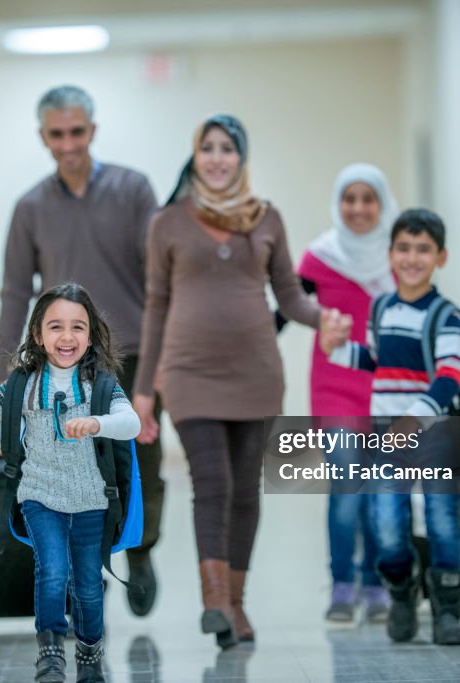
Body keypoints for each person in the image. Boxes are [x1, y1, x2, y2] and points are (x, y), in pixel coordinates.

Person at [132, 114, 333, 648]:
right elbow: (155, 306)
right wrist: (145, 390)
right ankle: (214, 599)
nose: (218, 157)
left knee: (246, 491)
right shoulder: (167, 223)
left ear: (241, 158)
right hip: (188, 372)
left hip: (256, 372)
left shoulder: (266, 219)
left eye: (228, 148)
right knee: (212, 482)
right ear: (195, 156)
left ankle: (235, 607)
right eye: (208, 148)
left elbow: (289, 295)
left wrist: (324, 319)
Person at [0, 85, 165, 616]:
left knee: (139, 466)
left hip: (130, 353)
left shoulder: (134, 191)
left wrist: (152, 380)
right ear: (44, 137)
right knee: (69, 470)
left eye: (76, 132)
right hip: (63, 360)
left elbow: (161, 286)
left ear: (92, 130)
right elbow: (15, 292)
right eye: (56, 134)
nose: (68, 144)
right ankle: (89, 576)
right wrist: (4, 375)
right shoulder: (30, 208)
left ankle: (139, 550)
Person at [0, 283, 140, 682]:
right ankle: (50, 654)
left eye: (78, 327)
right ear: (37, 334)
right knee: (51, 571)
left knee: (87, 583)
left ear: (92, 334)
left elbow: (129, 422)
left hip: (91, 498)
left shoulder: (101, 384)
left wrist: (98, 422)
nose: (67, 337)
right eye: (56, 327)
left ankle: (89, 652)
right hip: (40, 495)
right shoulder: (22, 385)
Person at [319, 208, 460, 645]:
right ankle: (401, 594)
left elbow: (450, 376)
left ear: (440, 257)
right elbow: (375, 361)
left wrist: (413, 420)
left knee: (443, 524)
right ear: (390, 255)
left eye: (423, 249)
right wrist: (336, 350)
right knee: (386, 525)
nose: (412, 257)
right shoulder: (382, 308)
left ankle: (446, 610)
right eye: (404, 248)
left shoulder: (446, 316)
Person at [277, 163, 397, 625]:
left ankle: (376, 582)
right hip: (335, 387)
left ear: (382, 204)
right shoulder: (320, 257)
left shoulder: (396, 256)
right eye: (350, 198)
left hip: (389, 388)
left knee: (378, 491)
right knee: (348, 485)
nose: (359, 208)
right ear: (338, 203)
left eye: (369, 198)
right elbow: (287, 309)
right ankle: (343, 583)